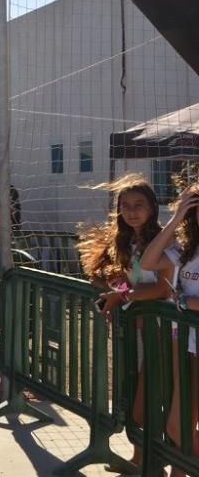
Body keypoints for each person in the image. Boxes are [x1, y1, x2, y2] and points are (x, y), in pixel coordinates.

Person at [81, 177, 179, 471]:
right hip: (135, 330)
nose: (132, 211)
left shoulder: (163, 240)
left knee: (149, 402)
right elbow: (130, 281)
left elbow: (163, 290)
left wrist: (119, 296)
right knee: (137, 395)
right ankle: (141, 458)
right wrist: (111, 285)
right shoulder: (128, 242)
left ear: (153, 207)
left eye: (139, 205)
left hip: (161, 332)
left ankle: (159, 461)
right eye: (125, 206)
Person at [141, 185, 199, 477]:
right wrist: (177, 219)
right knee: (176, 423)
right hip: (181, 340)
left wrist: (189, 302)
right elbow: (145, 264)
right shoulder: (186, 248)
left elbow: (174, 294)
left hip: (184, 337)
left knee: (178, 425)